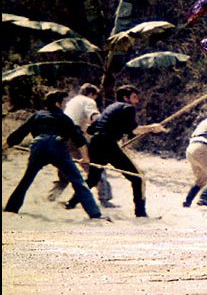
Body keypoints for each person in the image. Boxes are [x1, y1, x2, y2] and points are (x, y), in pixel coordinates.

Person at [3, 90, 107, 220]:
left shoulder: (37, 115)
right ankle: (95, 214)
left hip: (38, 145)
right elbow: (79, 139)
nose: (64, 105)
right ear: (58, 104)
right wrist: (85, 158)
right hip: (57, 146)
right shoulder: (64, 118)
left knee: (27, 179)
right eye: (62, 102)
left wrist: (4, 146)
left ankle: (11, 208)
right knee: (77, 180)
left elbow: (19, 134)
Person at [65, 84, 167, 217]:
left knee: (93, 179)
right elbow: (134, 130)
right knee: (138, 177)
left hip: (96, 143)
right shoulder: (128, 108)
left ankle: (71, 203)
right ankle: (141, 214)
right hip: (108, 145)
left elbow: (92, 128)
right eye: (134, 97)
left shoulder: (111, 107)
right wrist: (152, 127)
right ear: (126, 98)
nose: (137, 100)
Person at [47, 83, 115, 207]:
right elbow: (95, 117)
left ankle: (52, 196)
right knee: (95, 167)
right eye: (95, 96)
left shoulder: (72, 101)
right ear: (91, 94)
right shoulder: (88, 101)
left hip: (59, 135)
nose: (95, 99)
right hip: (74, 135)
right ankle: (105, 198)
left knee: (64, 170)